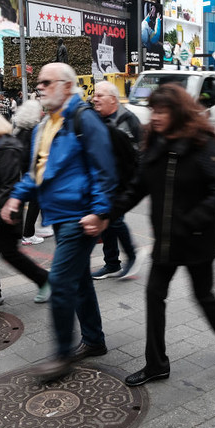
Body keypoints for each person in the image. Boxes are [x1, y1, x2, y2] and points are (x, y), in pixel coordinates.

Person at [112, 84, 215, 387]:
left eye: (162, 111)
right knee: (154, 295)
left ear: (178, 112)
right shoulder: (155, 144)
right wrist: (107, 214)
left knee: (204, 296)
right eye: (153, 110)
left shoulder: (202, 143)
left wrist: (192, 221)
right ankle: (156, 365)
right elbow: (137, 188)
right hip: (167, 240)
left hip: (196, 238)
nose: (155, 116)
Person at [0, 62, 116, 380]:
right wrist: (16, 197)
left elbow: (105, 171)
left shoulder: (84, 119)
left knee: (61, 284)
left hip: (80, 218)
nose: (40, 87)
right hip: (60, 216)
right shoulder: (43, 126)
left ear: (67, 86)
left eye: (46, 82)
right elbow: (37, 173)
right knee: (78, 282)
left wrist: (100, 211)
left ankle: (62, 355)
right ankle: (94, 340)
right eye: (39, 83)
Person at [0, 109, 50, 309]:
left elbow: (9, 184)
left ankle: (45, 280)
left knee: (10, 253)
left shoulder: (7, 147)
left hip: (2, 211)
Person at [90, 80, 143, 279]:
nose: (95, 99)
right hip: (105, 180)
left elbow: (138, 153)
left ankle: (132, 255)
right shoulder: (98, 119)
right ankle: (112, 263)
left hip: (122, 181)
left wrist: (133, 182)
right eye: (94, 95)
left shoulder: (127, 119)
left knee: (114, 219)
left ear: (113, 99)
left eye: (99, 95)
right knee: (108, 220)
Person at [13, 99, 48, 246]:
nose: (42, 112)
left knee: (21, 202)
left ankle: (24, 231)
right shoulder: (35, 130)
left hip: (18, 170)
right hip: (31, 171)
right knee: (36, 201)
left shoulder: (18, 129)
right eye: (40, 110)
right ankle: (28, 234)